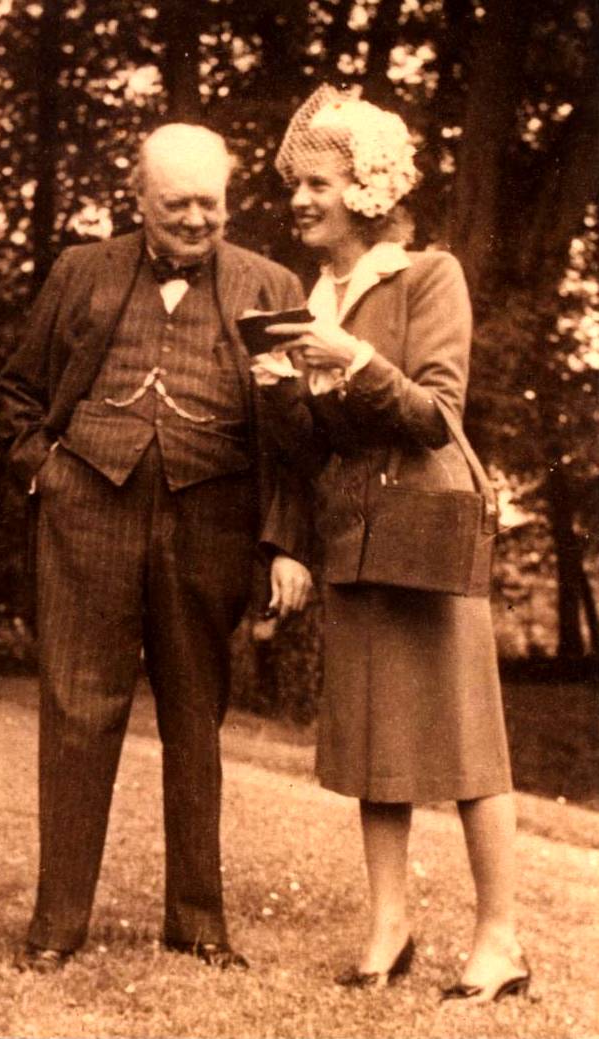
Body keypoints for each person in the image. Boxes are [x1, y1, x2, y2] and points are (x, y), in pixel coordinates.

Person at [0, 123, 312, 973]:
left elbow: (296, 438)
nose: (197, 219)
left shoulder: (273, 285)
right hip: (87, 513)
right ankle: (56, 924)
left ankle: (198, 921)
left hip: (212, 520)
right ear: (138, 199)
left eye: (211, 202)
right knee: (77, 711)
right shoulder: (81, 271)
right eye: (177, 204)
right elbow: (19, 389)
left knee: (196, 718)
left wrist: (284, 542)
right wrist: (46, 473)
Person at [252, 85, 529, 1004]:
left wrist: (356, 361)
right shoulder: (313, 299)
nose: (299, 200)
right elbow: (315, 451)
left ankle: (500, 938)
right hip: (357, 536)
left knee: (468, 738)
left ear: (367, 192)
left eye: (318, 184)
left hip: (429, 528)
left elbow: (436, 415)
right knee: (376, 737)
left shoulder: (429, 276)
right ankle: (388, 929)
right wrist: (280, 388)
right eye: (295, 184)